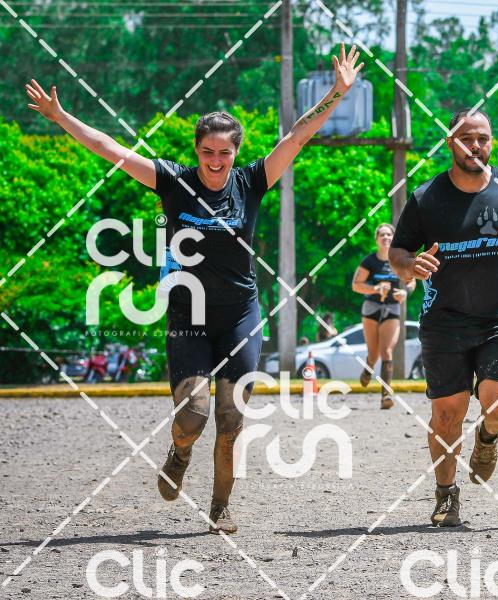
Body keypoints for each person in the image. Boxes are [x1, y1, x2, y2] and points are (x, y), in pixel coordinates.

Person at [25, 44, 364, 533]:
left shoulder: (252, 181)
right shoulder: (174, 182)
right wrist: (61, 117)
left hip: (242, 313)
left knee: (231, 420)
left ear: (236, 152)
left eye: (225, 152)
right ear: (196, 150)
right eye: (208, 151)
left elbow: (298, 134)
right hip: (190, 316)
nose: (216, 160)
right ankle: (179, 453)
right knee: (193, 418)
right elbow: (111, 149)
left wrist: (337, 92)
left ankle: (220, 507)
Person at [389, 108, 498, 527]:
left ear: (491, 142)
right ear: (450, 142)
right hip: (444, 321)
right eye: (467, 139)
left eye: (483, 138)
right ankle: (446, 493)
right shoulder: (427, 197)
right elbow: (398, 251)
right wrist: (410, 265)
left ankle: (487, 435)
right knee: (447, 414)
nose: (476, 146)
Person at [352, 223, 415, 409]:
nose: (386, 237)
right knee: (373, 353)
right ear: (376, 239)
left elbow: (411, 282)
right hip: (371, 307)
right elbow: (356, 285)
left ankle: (386, 395)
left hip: (392, 307)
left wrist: (405, 293)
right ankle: (368, 369)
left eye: (389, 235)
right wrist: (375, 288)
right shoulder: (369, 261)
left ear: (394, 238)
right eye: (382, 235)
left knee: (386, 351)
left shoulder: (399, 260)